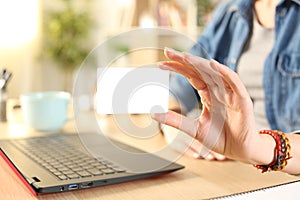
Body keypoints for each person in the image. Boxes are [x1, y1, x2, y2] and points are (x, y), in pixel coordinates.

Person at [160, 0, 300, 160]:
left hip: (284, 165)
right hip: (229, 157)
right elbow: (181, 85)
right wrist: (173, 123)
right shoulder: (230, 10)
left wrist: (257, 148)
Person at [152, 47, 300, 175]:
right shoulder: (229, 16)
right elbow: (178, 87)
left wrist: (259, 147)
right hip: (227, 162)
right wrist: (172, 121)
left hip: (280, 175)